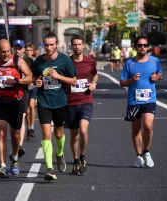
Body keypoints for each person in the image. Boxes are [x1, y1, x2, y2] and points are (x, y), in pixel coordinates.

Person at [32, 31, 77, 181]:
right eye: (46, 45)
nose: (49, 47)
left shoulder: (65, 60)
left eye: (51, 45)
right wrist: (37, 82)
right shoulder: (38, 61)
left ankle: (59, 153)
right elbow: (34, 78)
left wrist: (58, 76)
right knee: (46, 134)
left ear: (57, 44)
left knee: (58, 134)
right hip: (44, 101)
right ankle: (50, 169)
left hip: (60, 102)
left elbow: (74, 81)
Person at [0, 39, 32, 179]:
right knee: (1, 132)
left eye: (8, 51)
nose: (6, 54)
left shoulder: (18, 61)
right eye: (3, 52)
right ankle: (2, 165)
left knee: (15, 135)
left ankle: (15, 157)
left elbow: (30, 77)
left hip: (16, 102)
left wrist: (16, 81)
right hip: (0, 101)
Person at [120, 36, 163, 168]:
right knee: (136, 129)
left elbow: (160, 73)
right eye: (139, 45)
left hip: (150, 99)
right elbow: (122, 82)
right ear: (136, 47)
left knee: (148, 126)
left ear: (148, 47)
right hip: (134, 100)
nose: (142, 47)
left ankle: (147, 152)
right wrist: (131, 80)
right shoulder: (130, 63)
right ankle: (138, 156)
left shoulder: (154, 61)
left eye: (145, 45)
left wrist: (157, 77)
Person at [66, 35, 98, 175]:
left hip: (86, 100)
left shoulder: (90, 61)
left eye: (79, 44)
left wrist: (94, 83)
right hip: (70, 102)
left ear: (83, 45)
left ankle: (83, 157)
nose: (77, 47)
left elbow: (95, 74)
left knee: (83, 131)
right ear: (71, 46)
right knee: (74, 135)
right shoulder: (66, 62)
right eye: (75, 44)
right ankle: (75, 160)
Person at [12, 39, 34, 156]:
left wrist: (32, 80)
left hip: (23, 91)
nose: (17, 50)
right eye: (15, 48)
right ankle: (15, 142)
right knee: (13, 122)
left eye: (19, 48)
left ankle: (20, 145)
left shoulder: (28, 60)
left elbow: (34, 74)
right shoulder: (9, 60)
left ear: (23, 50)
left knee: (22, 117)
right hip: (10, 92)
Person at [24, 43, 37, 141]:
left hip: (33, 86)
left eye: (30, 50)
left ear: (33, 51)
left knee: (32, 106)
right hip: (25, 86)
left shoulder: (36, 61)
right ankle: (28, 128)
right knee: (27, 109)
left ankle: (32, 127)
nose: (28, 52)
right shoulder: (22, 61)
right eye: (27, 50)